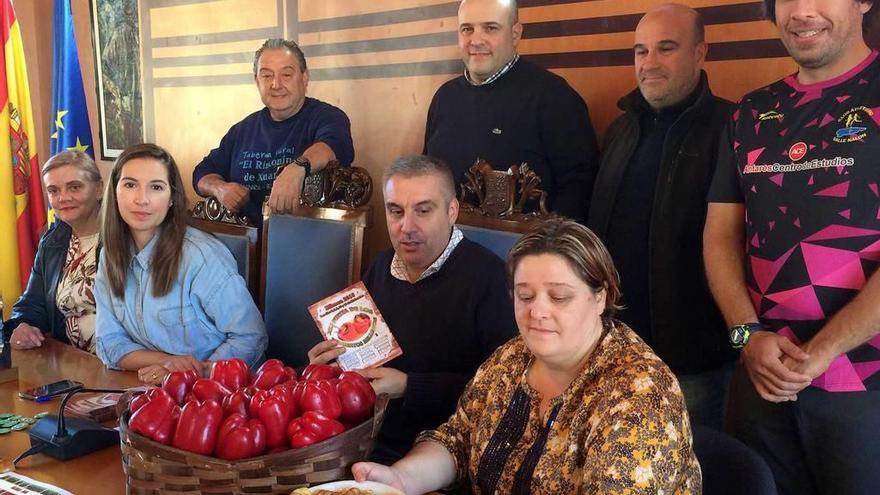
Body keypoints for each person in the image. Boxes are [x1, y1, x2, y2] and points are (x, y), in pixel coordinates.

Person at [353, 219, 701, 494]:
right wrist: (400, 480)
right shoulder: (513, 356)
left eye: (559, 297)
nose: (538, 312)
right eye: (525, 296)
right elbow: (458, 440)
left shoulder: (639, 394)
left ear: (600, 297)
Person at [704, 0, 880, 492]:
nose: (802, 10)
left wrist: (824, 350)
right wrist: (747, 337)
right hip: (761, 384)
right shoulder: (751, 112)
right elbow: (721, 237)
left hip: (866, 390)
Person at [308, 155, 516, 464]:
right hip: (365, 437)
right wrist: (330, 365)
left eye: (423, 210)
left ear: (452, 211)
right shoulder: (381, 267)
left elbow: (505, 390)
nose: (407, 227)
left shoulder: (492, 279)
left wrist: (410, 387)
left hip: (446, 451)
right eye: (396, 211)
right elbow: (367, 357)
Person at [587, 3, 736, 430]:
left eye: (665, 48)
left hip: (694, 361)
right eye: (640, 51)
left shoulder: (731, 127)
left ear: (699, 53)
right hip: (613, 349)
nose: (649, 63)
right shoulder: (619, 130)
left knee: (690, 471)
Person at [96, 143, 267, 385]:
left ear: (171, 199)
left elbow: (251, 337)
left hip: (223, 393)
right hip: (153, 390)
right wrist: (166, 362)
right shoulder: (109, 255)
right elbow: (109, 343)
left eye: (156, 187)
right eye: (130, 184)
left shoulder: (201, 256)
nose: (141, 199)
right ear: (114, 192)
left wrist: (195, 372)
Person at [423, 0, 599, 222]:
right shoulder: (444, 98)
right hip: (447, 249)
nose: (476, 40)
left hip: (524, 252)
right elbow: (427, 178)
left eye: (490, 28)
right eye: (467, 29)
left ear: (515, 34)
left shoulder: (555, 97)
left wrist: (548, 250)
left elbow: (579, 188)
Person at [192, 38, 354, 224]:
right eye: (267, 76)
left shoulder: (327, 117)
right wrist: (220, 189)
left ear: (304, 77)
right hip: (247, 244)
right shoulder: (242, 130)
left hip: (308, 242)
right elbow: (202, 173)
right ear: (256, 81)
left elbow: (332, 145)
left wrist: (296, 168)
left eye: (286, 75)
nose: (276, 84)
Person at [2, 151, 103, 353]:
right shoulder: (52, 242)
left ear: (99, 189)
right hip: (69, 362)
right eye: (53, 191)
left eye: (75, 187)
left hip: (121, 364)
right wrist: (23, 325)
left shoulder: (125, 239)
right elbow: (31, 306)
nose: (63, 198)